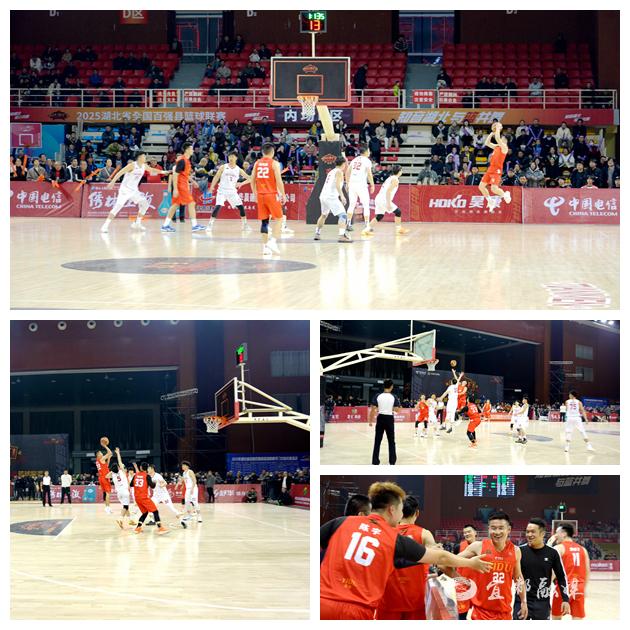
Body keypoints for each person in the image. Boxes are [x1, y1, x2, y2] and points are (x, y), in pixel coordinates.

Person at [320, 481, 492, 619]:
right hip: (359, 610)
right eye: (400, 510)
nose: (401, 515)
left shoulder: (341, 522)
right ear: (392, 509)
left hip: (323, 603)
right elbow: (440, 558)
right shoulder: (393, 538)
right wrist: (470, 563)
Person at [454, 511, 527, 620]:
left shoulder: (516, 551)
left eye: (501, 528)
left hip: (505, 613)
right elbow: (451, 561)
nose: (497, 532)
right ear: (488, 529)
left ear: (509, 529)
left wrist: (523, 601)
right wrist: (463, 578)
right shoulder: (478, 546)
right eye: (493, 528)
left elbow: (518, 578)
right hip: (481, 613)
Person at [376, 495, 437, 619]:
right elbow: (439, 561)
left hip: (388, 597)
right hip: (415, 598)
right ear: (417, 513)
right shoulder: (425, 534)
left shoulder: (385, 532)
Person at [514, 518, 570, 620]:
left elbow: (561, 577)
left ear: (542, 534)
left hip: (542, 603)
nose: (529, 534)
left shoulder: (552, 553)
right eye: (527, 532)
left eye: (533, 532)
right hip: (521, 601)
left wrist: (565, 599)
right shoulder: (519, 551)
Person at [101, 151, 165, 233]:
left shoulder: (144, 166)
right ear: (139, 157)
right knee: (118, 207)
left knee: (145, 204)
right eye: (144, 156)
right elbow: (120, 173)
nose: (145, 158)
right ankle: (105, 226)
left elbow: (152, 170)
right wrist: (113, 182)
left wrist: (163, 172)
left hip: (134, 191)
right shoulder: (132, 165)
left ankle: (137, 223)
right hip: (125, 190)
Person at [251, 143, 287, 256]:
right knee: (280, 219)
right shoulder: (274, 163)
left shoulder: (257, 163)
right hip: (271, 194)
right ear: (272, 152)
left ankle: (265, 248)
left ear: (262, 152)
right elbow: (279, 181)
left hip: (260, 195)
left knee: (264, 221)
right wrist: (283, 194)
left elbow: (252, 180)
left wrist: (255, 194)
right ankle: (273, 241)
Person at [549, 522, 590, 620]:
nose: (555, 535)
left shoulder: (558, 548)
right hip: (578, 588)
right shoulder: (583, 549)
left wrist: (549, 543)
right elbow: (587, 572)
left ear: (564, 534)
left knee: (556, 618)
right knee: (577, 619)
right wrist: (583, 588)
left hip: (563, 589)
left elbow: (552, 572)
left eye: (557, 532)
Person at [161, 143, 205, 232]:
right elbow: (175, 174)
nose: (193, 150)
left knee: (175, 205)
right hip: (181, 186)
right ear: (187, 150)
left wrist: (193, 181)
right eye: (191, 149)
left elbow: (184, 174)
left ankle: (165, 225)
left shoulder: (187, 161)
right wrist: (175, 189)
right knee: (191, 203)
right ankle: (194, 225)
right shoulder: (182, 160)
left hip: (183, 184)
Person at [206, 151, 252, 232]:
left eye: (233, 156)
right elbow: (216, 177)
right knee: (218, 206)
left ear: (236, 158)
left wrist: (241, 183)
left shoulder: (239, 169)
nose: (231, 158)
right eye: (230, 156)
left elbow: (250, 178)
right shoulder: (223, 167)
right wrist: (211, 187)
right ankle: (210, 225)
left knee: (241, 207)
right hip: (222, 191)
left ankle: (245, 225)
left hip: (232, 192)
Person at [362, 165, 408, 236]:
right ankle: (399, 229)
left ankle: (366, 230)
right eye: (401, 170)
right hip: (384, 199)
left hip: (379, 198)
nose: (402, 171)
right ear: (399, 172)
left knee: (379, 216)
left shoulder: (390, 178)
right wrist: (388, 203)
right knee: (398, 212)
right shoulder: (395, 179)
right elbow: (388, 191)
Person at [314, 156, 351, 243]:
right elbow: (337, 185)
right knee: (343, 215)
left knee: (323, 215)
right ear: (343, 164)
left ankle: (317, 234)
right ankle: (341, 236)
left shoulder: (332, 171)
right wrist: (342, 196)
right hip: (331, 197)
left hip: (323, 196)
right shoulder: (339, 172)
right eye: (346, 163)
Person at [128, 462, 169, 534]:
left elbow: (131, 485)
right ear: (147, 468)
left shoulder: (135, 475)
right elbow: (152, 486)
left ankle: (138, 528)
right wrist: (154, 482)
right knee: (155, 511)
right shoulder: (147, 476)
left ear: (140, 467)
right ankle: (160, 528)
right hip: (144, 497)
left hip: (137, 498)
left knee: (145, 513)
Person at [479, 122, 511, 213]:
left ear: (505, 140)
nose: (501, 138)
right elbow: (487, 143)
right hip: (490, 169)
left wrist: (498, 128)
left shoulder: (504, 147)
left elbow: (497, 138)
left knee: (494, 189)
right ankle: (490, 201)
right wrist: (491, 133)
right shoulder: (497, 146)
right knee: (481, 187)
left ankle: (505, 194)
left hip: (497, 170)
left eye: (502, 138)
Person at [369, 379, 401, 465]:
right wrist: (391, 408)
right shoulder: (394, 396)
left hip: (380, 418)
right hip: (389, 419)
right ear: (391, 386)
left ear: (384, 386)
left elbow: (373, 409)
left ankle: (375, 461)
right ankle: (392, 461)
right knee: (391, 441)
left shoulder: (378, 395)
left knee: (377, 441)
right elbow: (397, 410)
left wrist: (370, 421)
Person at [345, 144, 375, 232]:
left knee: (351, 205)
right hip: (361, 185)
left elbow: (347, 172)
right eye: (368, 151)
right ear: (365, 152)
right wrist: (372, 185)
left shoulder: (354, 160)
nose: (369, 152)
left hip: (352, 184)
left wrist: (347, 183)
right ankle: (367, 225)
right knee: (366, 205)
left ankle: (348, 224)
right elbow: (369, 174)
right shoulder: (367, 161)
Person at [454, 524, 479, 619]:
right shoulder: (458, 547)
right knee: (461, 615)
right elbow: (451, 562)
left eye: (469, 531)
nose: (466, 534)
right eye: (465, 533)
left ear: (475, 533)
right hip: (462, 585)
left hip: (478, 585)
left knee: (480, 614)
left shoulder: (482, 547)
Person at [107, 447, 133, 529]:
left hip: (119, 493)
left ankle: (130, 520)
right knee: (126, 506)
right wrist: (118, 453)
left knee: (125, 506)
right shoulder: (122, 471)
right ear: (118, 468)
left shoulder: (113, 474)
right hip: (125, 492)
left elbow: (106, 476)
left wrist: (112, 471)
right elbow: (120, 461)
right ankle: (120, 519)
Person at [95, 442, 113, 514]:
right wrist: (105, 446)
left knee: (106, 493)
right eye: (100, 453)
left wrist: (109, 458)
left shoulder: (98, 461)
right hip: (105, 478)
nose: (102, 453)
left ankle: (107, 507)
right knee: (108, 493)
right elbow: (110, 452)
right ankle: (107, 508)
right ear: (98, 455)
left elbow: (106, 466)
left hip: (101, 478)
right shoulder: (101, 459)